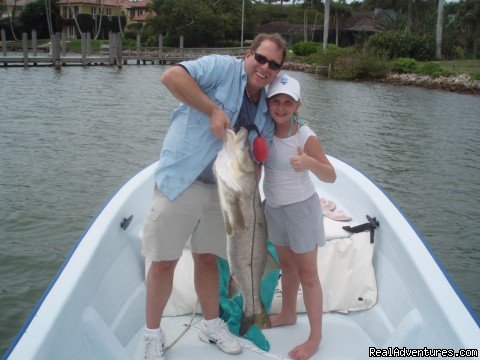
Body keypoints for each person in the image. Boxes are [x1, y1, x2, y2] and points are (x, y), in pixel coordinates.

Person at [142, 33, 287, 360]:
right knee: (164, 262)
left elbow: (257, 160)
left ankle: (211, 324)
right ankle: (152, 334)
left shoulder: (264, 110)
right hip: (182, 180)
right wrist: (212, 110)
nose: (265, 67)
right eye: (261, 58)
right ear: (249, 54)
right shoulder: (221, 68)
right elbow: (171, 76)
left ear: (278, 70)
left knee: (208, 258)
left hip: (224, 193)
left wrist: (252, 189)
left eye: (273, 64)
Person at [263, 73, 336, 360]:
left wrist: (309, 162)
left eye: (288, 102)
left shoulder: (304, 134)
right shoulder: (265, 127)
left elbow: (330, 175)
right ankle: (288, 314)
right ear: (269, 103)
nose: (281, 108)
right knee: (285, 265)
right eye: (276, 101)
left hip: (301, 210)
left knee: (307, 274)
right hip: (274, 208)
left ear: (298, 105)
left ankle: (315, 337)